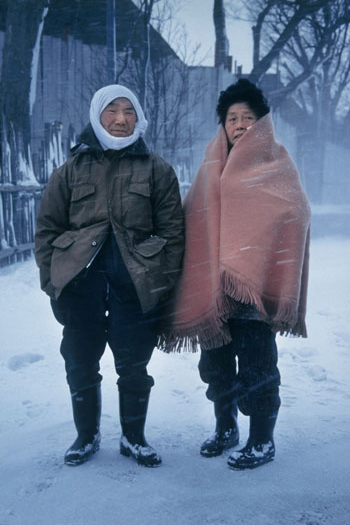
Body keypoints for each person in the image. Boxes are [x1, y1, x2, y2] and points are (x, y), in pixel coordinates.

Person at [35, 84, 184, 467]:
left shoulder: (158, 170)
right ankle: (86, 437)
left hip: (134, 285)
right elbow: (47, 231)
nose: (121, 119)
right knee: (80, 361)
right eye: (112, 111)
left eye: (129, 111)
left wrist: (159, 283)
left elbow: (172, 234)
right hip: (80, 286)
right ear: (97, 116)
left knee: (134, 364)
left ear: (138, 118)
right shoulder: (69, 170)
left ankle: (134, 438)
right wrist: (54, 283)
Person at [166, 79, 311, 470]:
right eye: (232, 117)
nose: (240, 124)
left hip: (253, 290)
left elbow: (296, 212)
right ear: (223, 124)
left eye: (248, 116)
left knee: (257, 367)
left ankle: (262, 440)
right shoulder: (212, 163)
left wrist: (257, 252)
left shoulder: (276, 162)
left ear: (261, 122)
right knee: (214, 367)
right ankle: (225, 426)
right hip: (214, 290)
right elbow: (194, 214)